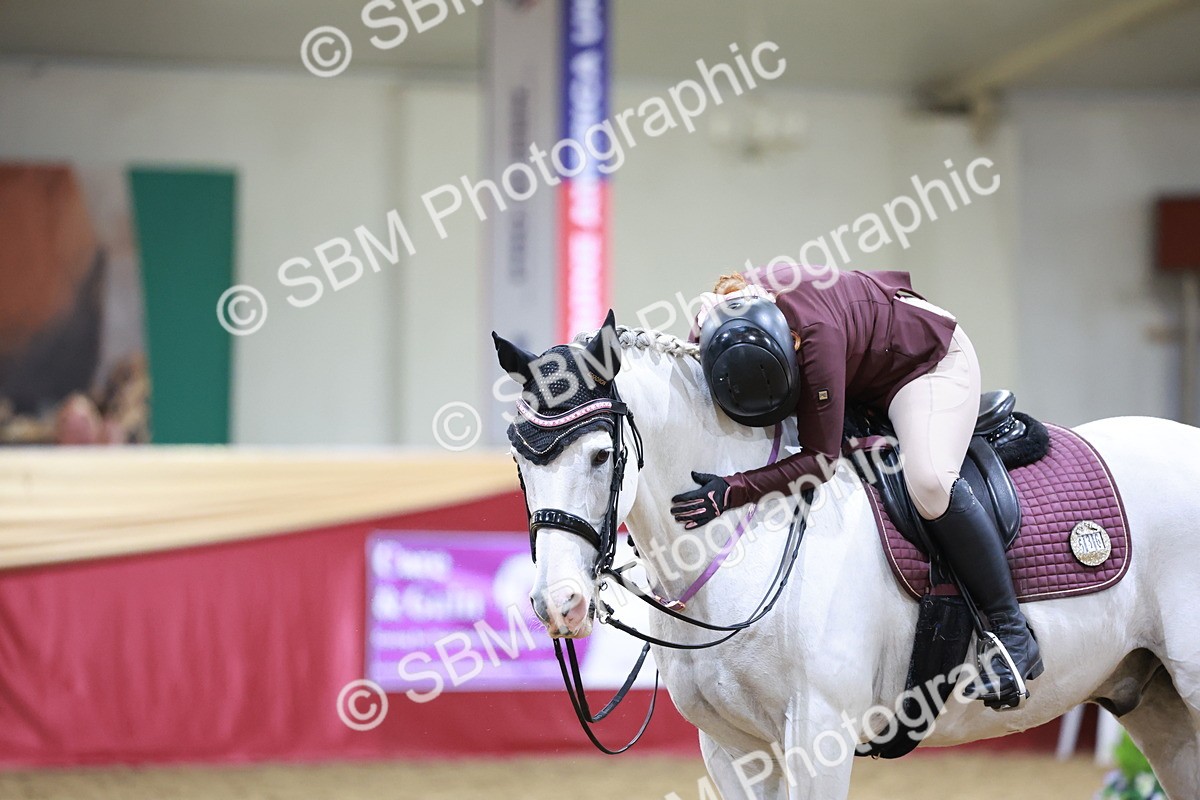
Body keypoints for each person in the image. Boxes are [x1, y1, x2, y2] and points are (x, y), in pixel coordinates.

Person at [669, 263, 1043, 707]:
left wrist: (733, 490)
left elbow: (819, 462)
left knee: (928, 483)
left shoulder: (817, 336)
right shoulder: (726, 318)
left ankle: (1011, 632)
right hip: (862, 363)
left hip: (925, 365)